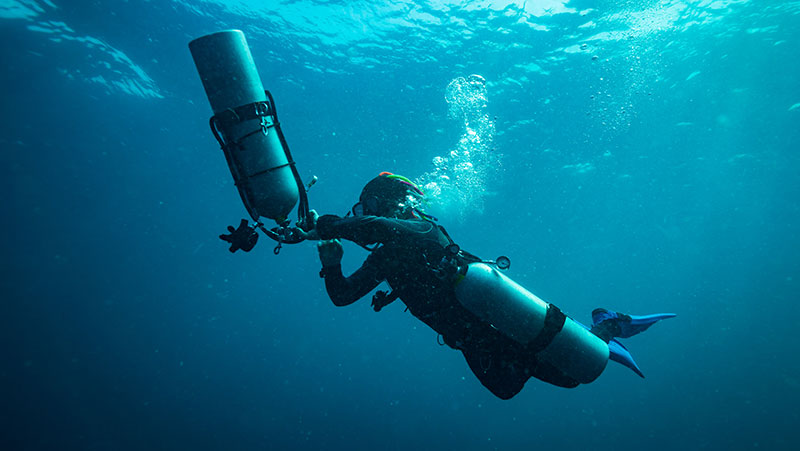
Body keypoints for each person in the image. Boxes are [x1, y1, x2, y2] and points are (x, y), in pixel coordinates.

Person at [222, 172, 675, 399]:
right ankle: (606, 330)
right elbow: (343, 297)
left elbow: (382, 228)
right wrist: (331, 263)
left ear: (384, 204)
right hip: (472, 334)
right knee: (532, 383)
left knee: (566, 375)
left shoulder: (424, 232)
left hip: (488, 318)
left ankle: (606, 327)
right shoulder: (385, 257)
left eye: (370, 207)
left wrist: (331, 227)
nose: (366, 215)